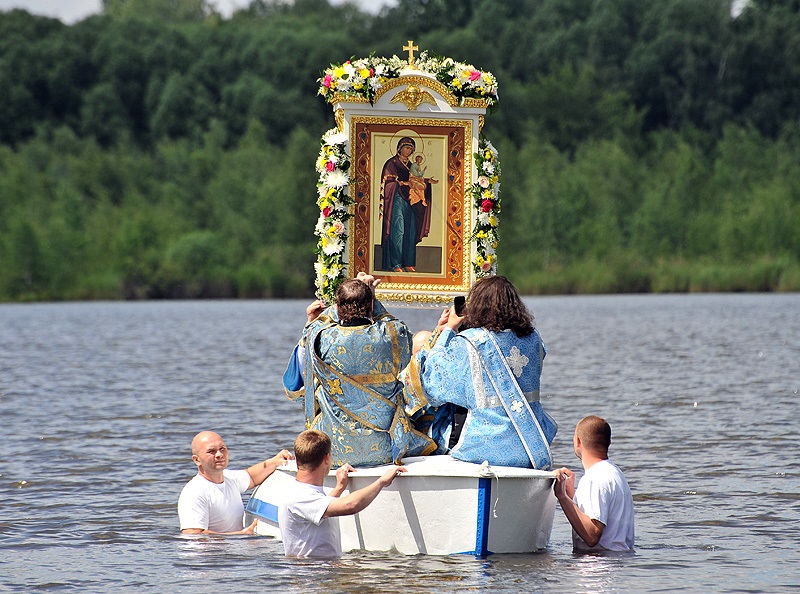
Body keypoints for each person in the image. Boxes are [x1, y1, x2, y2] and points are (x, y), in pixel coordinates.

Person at [401, 275, 557, 468]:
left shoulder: (470, 342)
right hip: (530, 443)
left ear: (477, 306)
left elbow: (433, 383)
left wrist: (448, 329)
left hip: (482, 447)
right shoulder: (534, 340)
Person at [283, 272, 434, 467]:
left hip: (334, 450)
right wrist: (371, 296)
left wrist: (315, 318)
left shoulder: (319, 337)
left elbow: (295, 382)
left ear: (337, 307)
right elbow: (398, 331)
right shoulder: (391, 334)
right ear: (371, 306)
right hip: (386, 449)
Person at [279, 429, 406, 558]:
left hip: (319, 571)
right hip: (314, 574)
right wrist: (381, 482)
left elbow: (318, 508)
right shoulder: (300, 496)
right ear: (327, 458)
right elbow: (350, 505)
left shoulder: (298, 491)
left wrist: (339, 488)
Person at [178, 430, 293, 535]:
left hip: (234, 551)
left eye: (222, 448)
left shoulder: (230, 478)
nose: (219, 454)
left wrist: (275, 461)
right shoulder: (194, 492)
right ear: (197, 460)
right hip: (212, 556)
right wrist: (239, 535)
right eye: (211, 451)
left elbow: (252, 476)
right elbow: (192, 534)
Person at [554, 416, 635, 552]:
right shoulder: (615, 473)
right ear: (608, 442)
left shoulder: (595, 478)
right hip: (619, 563)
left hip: (599, 566)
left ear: (578, 441)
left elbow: (592, 535)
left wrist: (562, 497)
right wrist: (571, 496)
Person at [379, 137, 438, 272]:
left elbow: (416, 179)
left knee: (410, 230)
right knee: (398, 229)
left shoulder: (411, 166)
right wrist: (398, 183)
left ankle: (408, 262)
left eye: (411, 148)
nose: (409, 150)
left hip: (409, 200)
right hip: (396, 200)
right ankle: (395, 263)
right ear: (400, 148)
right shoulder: (392, 163)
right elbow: (387, 183)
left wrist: (428, 182)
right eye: (407, 147)